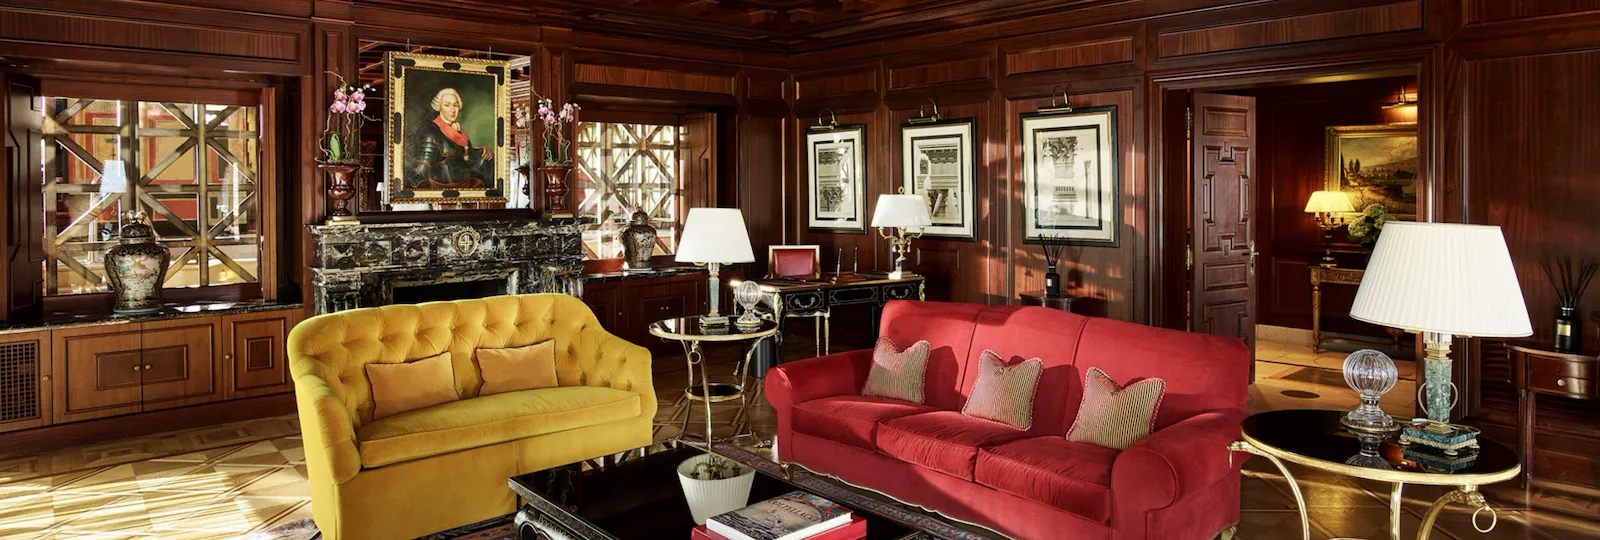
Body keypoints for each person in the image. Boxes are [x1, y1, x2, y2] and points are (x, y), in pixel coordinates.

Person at [408, 88, 492, 189]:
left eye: (455, 105)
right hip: (442, 193)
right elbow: (419, 172)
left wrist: (482, 151)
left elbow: (466, 159)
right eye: (447, 105)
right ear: (439, 107)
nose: (452, 110)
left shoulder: (460, 132)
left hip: (466, 188)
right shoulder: (432, 135)